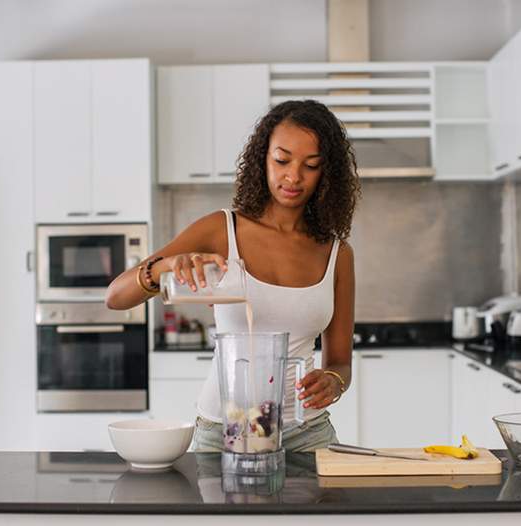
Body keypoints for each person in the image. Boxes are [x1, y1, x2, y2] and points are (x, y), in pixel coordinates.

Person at [106, 99, 360, 452]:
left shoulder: (337, 254)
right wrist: (163, 268)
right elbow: (115, 297)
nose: (293, 176)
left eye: (311, 165)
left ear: (326, 173)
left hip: (308, 435)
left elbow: (340, 362)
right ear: (262, 159)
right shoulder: (221, 229)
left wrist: (334, 381)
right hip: (226, 431)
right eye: (282, 160)